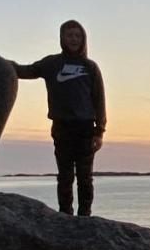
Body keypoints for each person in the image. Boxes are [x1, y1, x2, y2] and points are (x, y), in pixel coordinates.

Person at [13, 20, 107, 215]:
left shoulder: (90, 67)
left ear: (83, 40)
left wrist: (100, 131)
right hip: (62, 127)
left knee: (85, 177)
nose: (74, 39)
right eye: (70, 35)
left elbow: (99, 100)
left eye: (78, 36)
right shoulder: (51, 63)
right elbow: (26, 71)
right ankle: (65, 215)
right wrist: (3, 65)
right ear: (62, 38)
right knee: (64, 176)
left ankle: (85, 216)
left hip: (86, 129)